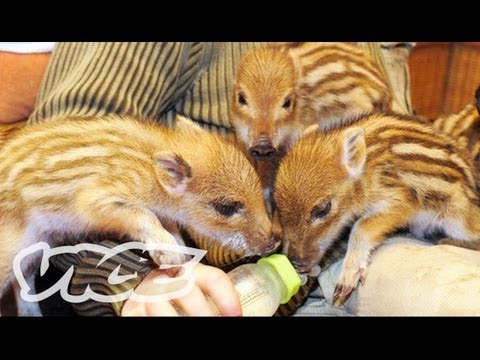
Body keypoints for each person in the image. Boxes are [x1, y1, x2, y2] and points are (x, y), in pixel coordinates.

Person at [0, 42, 414, 316]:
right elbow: (69, 161)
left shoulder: (348, 59)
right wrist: (135, 279)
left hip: (337, 268)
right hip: (180, 290)